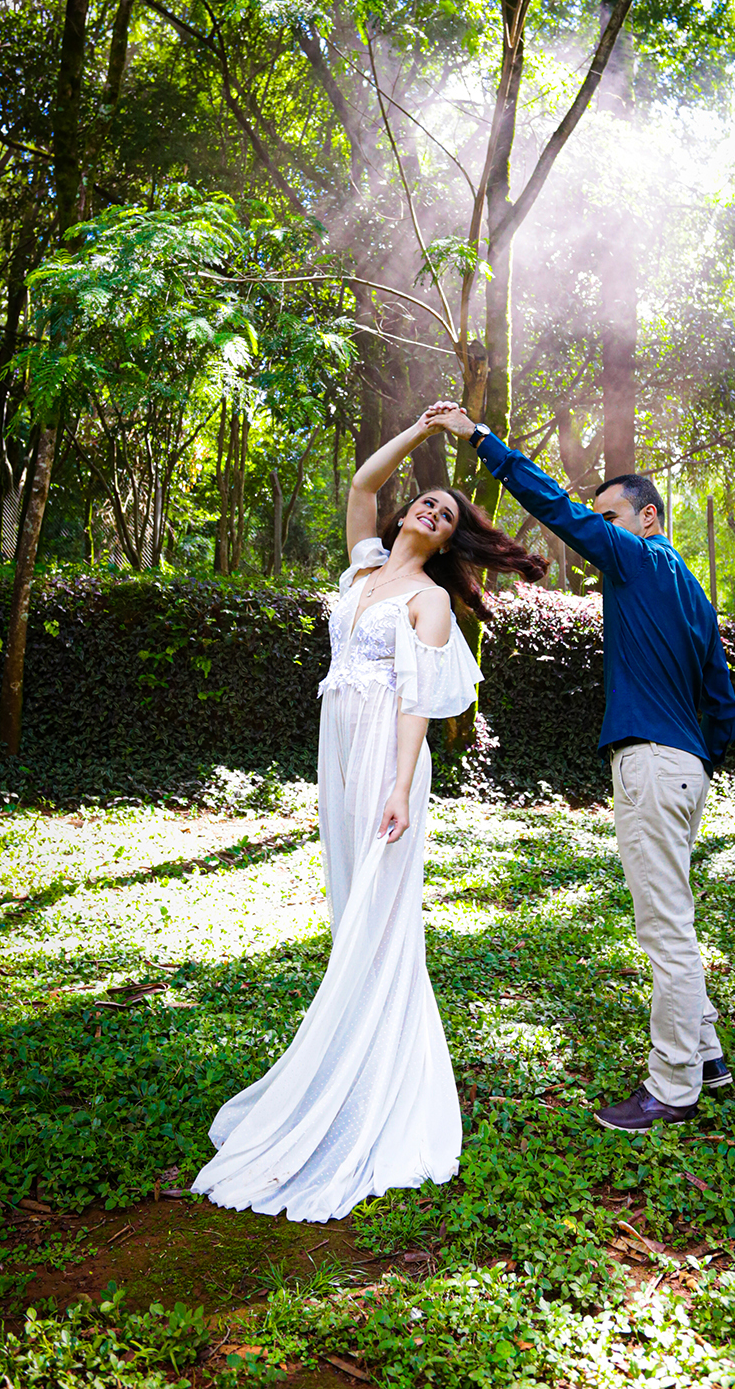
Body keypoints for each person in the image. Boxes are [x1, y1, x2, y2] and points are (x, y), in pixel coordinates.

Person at [192, 411, 547, 1221]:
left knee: (380, 914)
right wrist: (422, 431)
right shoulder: (365, 569)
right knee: (349, 897)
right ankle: (348, 1042)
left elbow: (417, 701)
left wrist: (398, 785)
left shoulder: (430, 600)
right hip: (339, 749)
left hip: (389, 758)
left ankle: (375, 1070)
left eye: (446, 514)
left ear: (451, 542)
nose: (431, 510)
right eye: (427, 501)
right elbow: (361, 484)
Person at [424, 402, 735, 1132]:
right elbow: (723, 701)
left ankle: (673, 1087)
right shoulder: (692, 594)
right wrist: (697, 760)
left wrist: (481, 440)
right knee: (674, 913)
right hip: (686, 769)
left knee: (665, 929)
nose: (602, 530)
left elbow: (558, 510)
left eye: (612, 517)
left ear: (648, 519)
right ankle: (708, 1056)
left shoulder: (642, 557)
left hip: (652, 765)